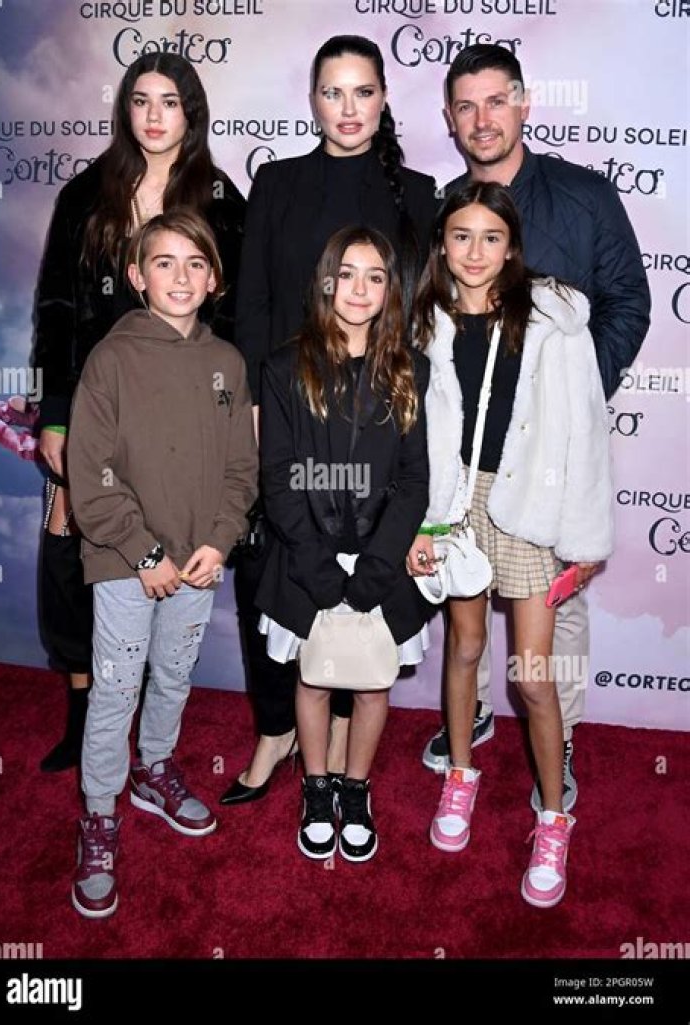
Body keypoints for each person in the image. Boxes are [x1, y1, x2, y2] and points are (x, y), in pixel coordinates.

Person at [422, 44, 650, 813]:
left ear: (525, 104)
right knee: (467, 616)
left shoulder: (583, 196)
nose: (482, 119)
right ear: (450, 118)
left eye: (497, 101)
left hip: (553, 459)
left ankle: (564, 739)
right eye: (466, 106)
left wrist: (569, 401)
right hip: (470, 469)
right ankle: (473, 722)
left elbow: (629, 301)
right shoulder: (447, 206)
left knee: (554, 614)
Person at [224, 33, 437, 805]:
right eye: (332, 92)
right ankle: (276, 727)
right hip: (286, 415)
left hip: (374, 422)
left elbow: (420, 321)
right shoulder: (277, 183)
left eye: (363, 91)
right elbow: (251, 304)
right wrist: (254, 408)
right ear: (312, 99)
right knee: (274, 572)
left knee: (362, 569)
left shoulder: (419, 193)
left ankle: (345, 741)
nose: (348, 108)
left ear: (384, 99)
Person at [31, 52, 245, 773]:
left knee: (169, 566)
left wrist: (239, 408)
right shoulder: (86, 193)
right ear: (124, 109)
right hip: (93, 403)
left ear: (192, 113)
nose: (155, 116)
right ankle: (85, 712)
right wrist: (55, 414)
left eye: (170, 102)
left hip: (182, 415)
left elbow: (238, 317)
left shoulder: (222, 198)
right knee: (71, 551)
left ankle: (153, 739)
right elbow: (56, 307)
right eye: (141, 100)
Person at [408, 182, 613, 906]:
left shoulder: (553, 319)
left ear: (512, 245)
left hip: (528, 503)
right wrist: (424, 521)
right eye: (460, 236)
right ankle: (461, 775)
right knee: (464, 648)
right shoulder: (427, 321)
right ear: (441, 244)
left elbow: (586, 429)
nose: (475, 252)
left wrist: (586, 541)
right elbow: (420, 433)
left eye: (491, 237)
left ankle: (554, 817)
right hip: (456, 503)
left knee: (532, 676)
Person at [66, 210, 257, 918]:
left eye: (195, 263)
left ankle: (153, 769)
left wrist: (221, 539)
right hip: (126, 561)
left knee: (173, 675)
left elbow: (241, 470)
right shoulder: (111, 359)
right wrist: (144, 552)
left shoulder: (228, 363)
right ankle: (99, 812)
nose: (181, 277)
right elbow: (90, 475)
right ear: (137, 276)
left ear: (214, 279)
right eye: (165, 262)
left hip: (198, 560)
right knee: (116, 688)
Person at [257, 225, 431, 861]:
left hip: (381, 557)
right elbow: (278, 476)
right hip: (308, 555)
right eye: (348, 274)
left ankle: (355, 788)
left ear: (390, 290)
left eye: (375, 277)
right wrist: (316, 564)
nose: (360, 289)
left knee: (371, 682)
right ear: (326, 282)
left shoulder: (410, 370)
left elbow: (414, 480)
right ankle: (316, 784)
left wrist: (379, 566)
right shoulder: (284, 367)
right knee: (314, 677)